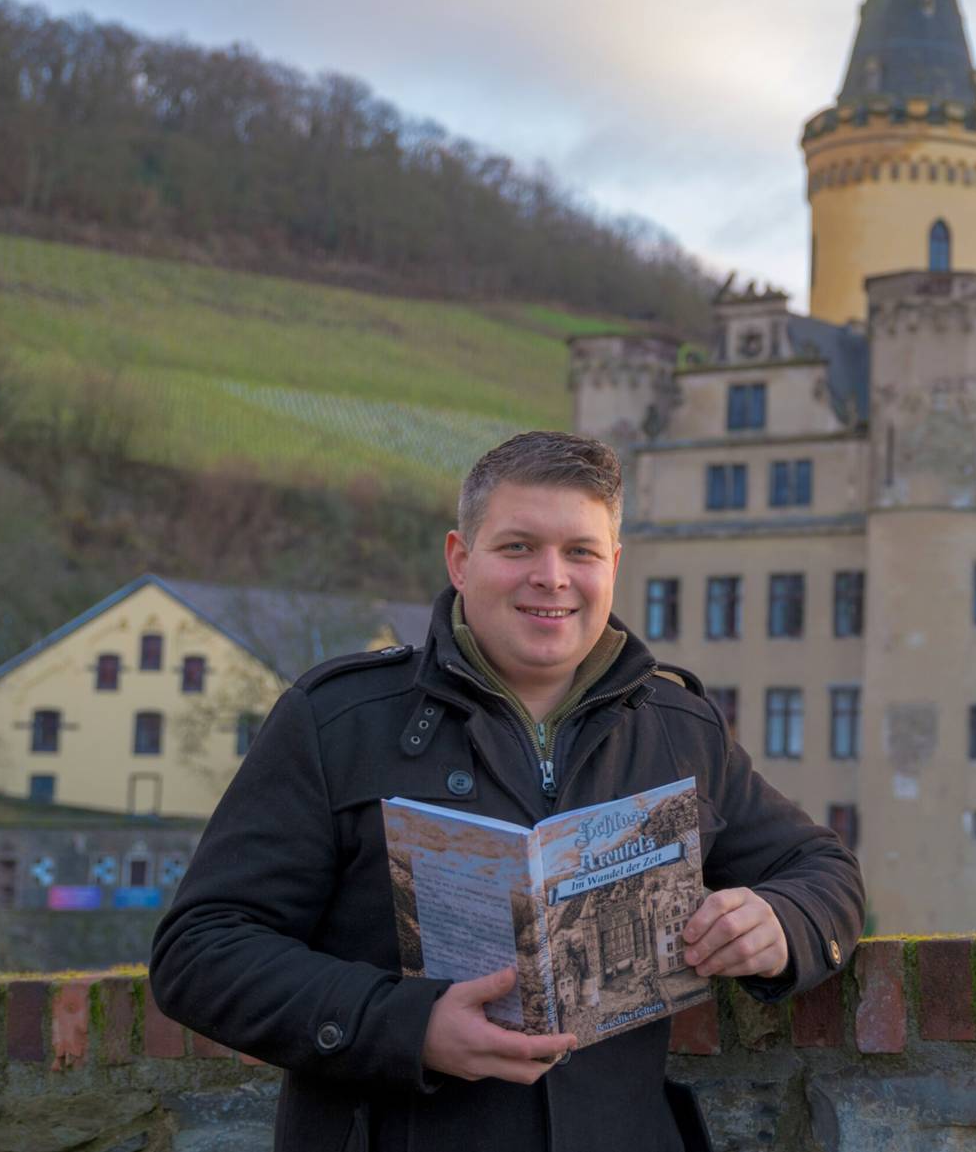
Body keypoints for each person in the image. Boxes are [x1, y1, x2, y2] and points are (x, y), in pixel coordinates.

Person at [151, 431, 865, 1150]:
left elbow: (825, 871)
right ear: (461, 560)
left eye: (580, 551)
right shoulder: (335, 722)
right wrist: (409, 1025)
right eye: (518, 546)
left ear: (613, 565)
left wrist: (780, 920)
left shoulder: (679, 728)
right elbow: (199, 951)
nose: (551, 577)